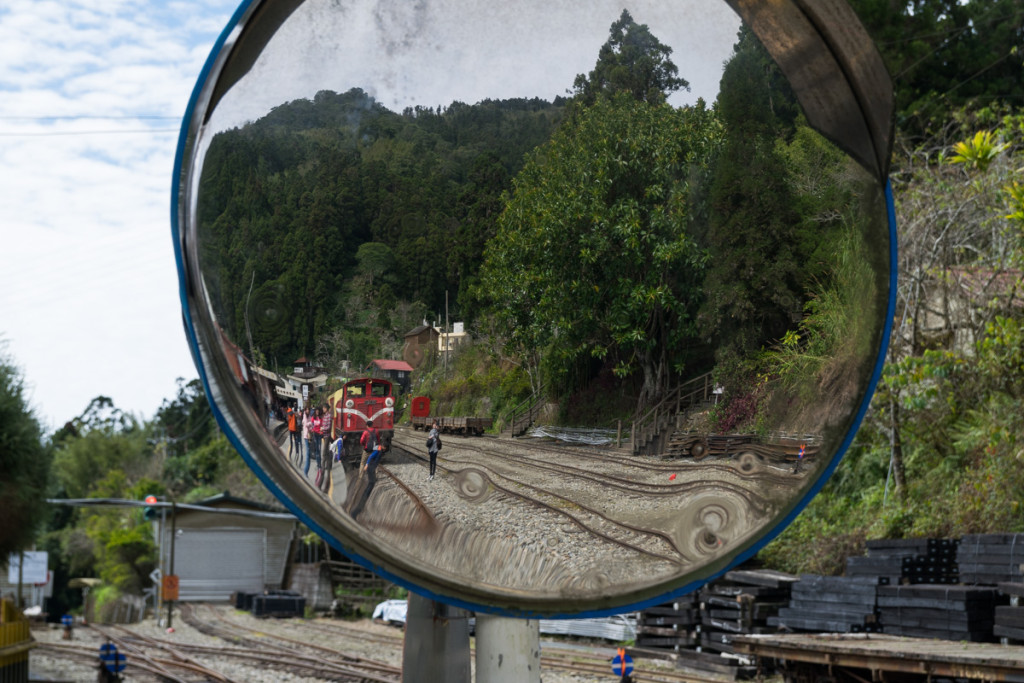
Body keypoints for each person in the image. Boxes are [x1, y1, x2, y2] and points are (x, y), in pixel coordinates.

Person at [317, 401, 334, 491]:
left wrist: (322, 428)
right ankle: (328, 464)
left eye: (324, 408)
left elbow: (328, 427)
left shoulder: (328, 416)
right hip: (325, 435)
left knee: (324, 453)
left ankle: (323, 468)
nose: (323, 409)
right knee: (326, 452)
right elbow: (324, 425)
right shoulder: (325, 416)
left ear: (327, 408)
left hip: (327, 436)